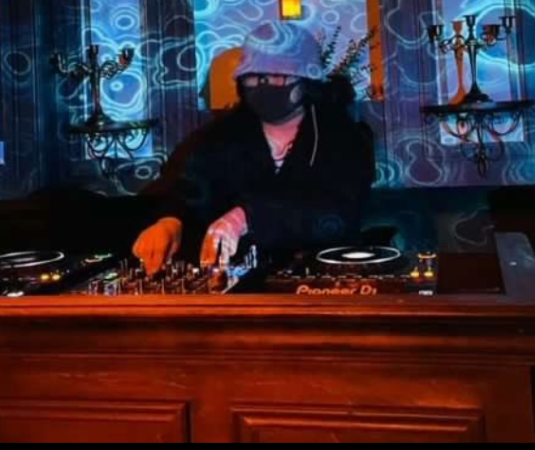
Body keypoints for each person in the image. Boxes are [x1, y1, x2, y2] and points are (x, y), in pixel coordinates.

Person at [133, 21, 375, 275]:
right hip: (240, 279)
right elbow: (188, 190)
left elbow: (337, 213)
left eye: (278, 76)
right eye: (255, 77)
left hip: (323, 276)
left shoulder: (344, 136)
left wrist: (247, 217)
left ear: (307, 80)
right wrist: (170, 222)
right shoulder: (220, 135)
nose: (264, 85)